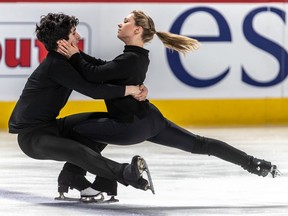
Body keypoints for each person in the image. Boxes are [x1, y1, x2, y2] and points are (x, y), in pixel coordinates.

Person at [58, 9, 280, 189]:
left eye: (125, 21)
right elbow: (102, 67)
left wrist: (74, 55)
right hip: (151, 120)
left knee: (77, 130)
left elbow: (94, 74)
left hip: (130, 126)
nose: (119, 24)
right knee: (200, 144)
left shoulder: (130, 60)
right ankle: (253, 164)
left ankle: (76, 175)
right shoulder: (133, 57)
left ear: (136, 29)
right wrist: (76, 53)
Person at [8, 12, 153, 202]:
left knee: (101, 123)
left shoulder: (68, 59)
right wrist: (129, 89)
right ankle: (124, 173)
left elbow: (104, 70)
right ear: (62, 42)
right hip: (32, 137)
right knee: (77, 151)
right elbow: (93, 90)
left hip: (50, 127)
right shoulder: (56, 65)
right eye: (74, 32)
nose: (78, 37)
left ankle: (74, 176)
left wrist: (137, 86)